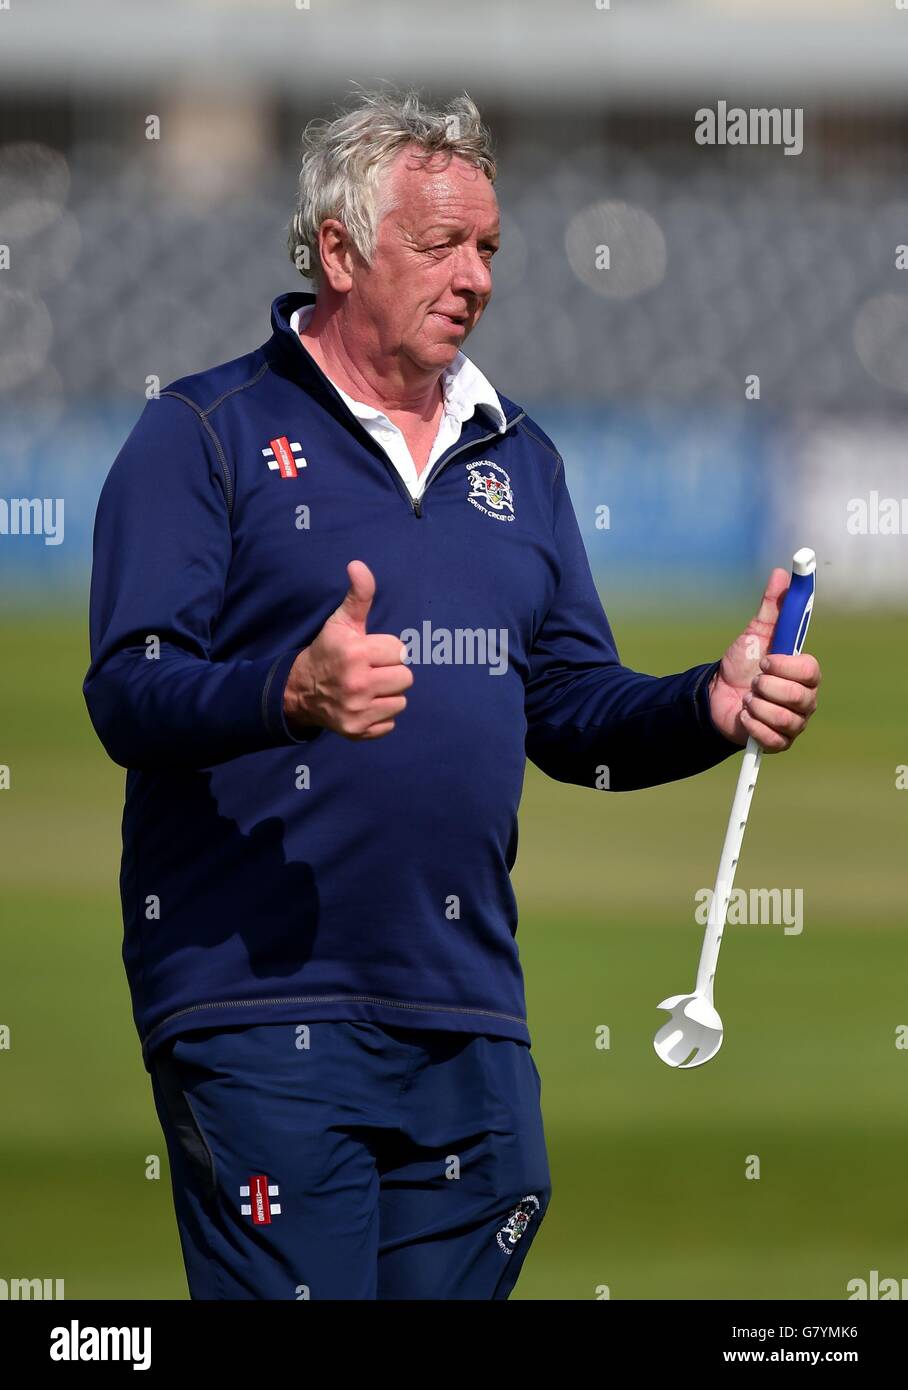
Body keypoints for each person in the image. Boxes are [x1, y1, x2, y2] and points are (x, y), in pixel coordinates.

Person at [83, 88, 821, 1300]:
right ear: (338, 249)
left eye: (487, 247)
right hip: (256, 1003)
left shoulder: (518, 453)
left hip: (468, 1007)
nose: (474, 276)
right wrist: (290, 691)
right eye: (439, 245)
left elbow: (570, 710)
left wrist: (708, 705)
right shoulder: (202, 431)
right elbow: (128, 692)